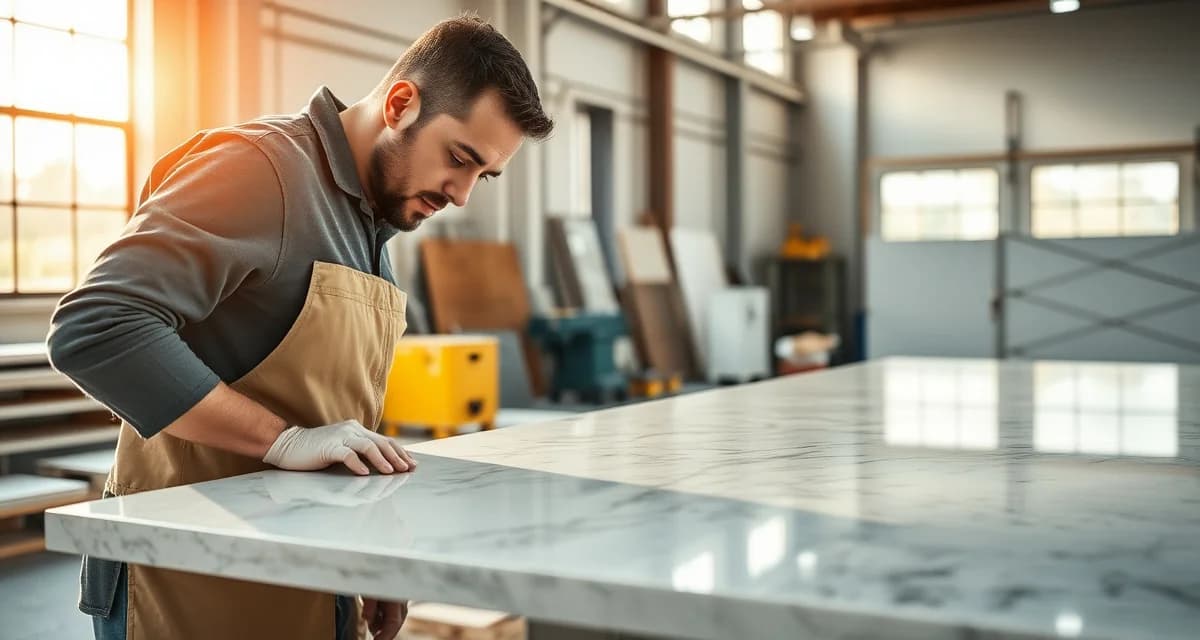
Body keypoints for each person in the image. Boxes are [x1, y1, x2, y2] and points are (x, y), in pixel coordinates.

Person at [46, 14, 553, 640]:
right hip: (192, 588)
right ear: (400, 103)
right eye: (459, 159)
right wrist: (281, 440)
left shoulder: (371, 225)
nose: (463, 194)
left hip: (304, 582)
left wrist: (370, 550)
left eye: (484, 174)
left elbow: (332, 412)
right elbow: (96, 327)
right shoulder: (259, 171)